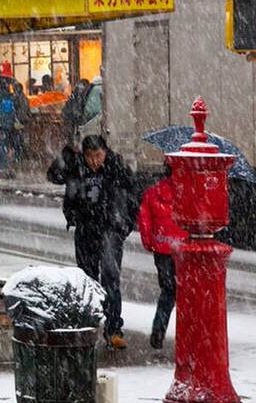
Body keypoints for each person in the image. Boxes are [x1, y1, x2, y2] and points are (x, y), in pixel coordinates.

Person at [47, 135, 136, 349]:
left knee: (110, 279)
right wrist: (65, 155)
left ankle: (113, 329)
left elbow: (132, 192)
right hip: (86, 228)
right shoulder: (77, 168)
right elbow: (53, 175)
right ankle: (88, 326)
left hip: (110, 229)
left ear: (105, 152)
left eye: (98, 155)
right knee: (87, 280)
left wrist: (125, 223)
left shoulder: (115, 167)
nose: (95, 161)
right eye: (90, 156)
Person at [136, 173, 186, 349]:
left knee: (168, 291)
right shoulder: (188, 192)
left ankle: (158, 331)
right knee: (185, 293)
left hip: (162, 247)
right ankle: (187, 334)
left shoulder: (152, 192)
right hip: (183, 248)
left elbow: (144, 218)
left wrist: (149, 241)